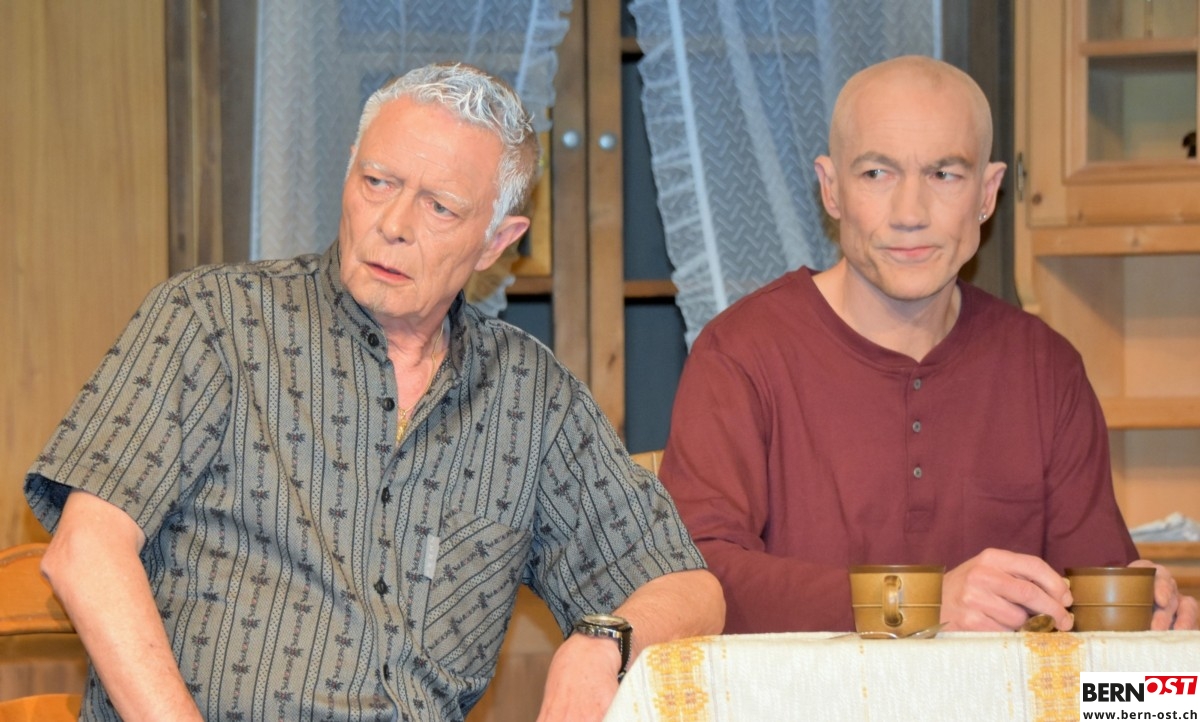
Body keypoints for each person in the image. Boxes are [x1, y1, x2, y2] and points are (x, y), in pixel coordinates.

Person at [26, 62, 723, 721]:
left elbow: (690, 589)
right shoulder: (214, 319)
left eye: (440, 207)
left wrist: (603, 644)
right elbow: (86, 552)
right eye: (377, 182)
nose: (392, 225)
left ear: (496, 242)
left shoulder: (530, 397)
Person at [657, 55, 1197, 634]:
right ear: (831, 190)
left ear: (988, 193)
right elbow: (695, 575)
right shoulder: (741, 353)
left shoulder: (1046, 367)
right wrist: (918, 604)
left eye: (944, 175)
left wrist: (1152, 640)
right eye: (876, 174)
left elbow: (1092, 605)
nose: (910, 214)